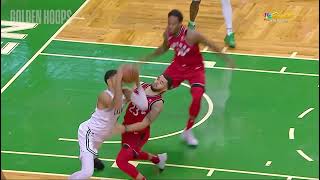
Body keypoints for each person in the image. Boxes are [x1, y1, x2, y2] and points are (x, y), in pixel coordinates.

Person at [138, 9, 234, 147]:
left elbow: (211, 44)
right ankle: (137, 108)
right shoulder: (167, 34)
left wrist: (227, 59)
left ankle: (188, 131)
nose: (170, 26)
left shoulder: (191, 35)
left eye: (173, 24)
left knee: (197, 96)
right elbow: (164, 48)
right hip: (177, 66)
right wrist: (148, 57)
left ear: (180, 24)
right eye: (169, 23)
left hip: (195, 69)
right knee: (156, 87)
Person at [69, 65, 149, 180]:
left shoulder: (125, 92)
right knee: (87, 172)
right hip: (88, 133)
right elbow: (116, 105)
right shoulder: (104, 95)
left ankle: (91, 156)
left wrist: (137, 81)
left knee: (91, 155)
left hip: (101, 136)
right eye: (118, 78)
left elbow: (143, 105)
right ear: (110, 81)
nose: (121, 80)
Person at [113, 74, 173, 180]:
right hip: (126, 127)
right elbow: (126, 100)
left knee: (121, 161)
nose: (157, 81)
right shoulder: (141, 86)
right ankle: (158, 159)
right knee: (132, 154)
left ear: (166, 88)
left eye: (161, 82)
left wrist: (125, 128)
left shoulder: (157, 103)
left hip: (138, 134)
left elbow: (145, 123)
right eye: (158, 78)